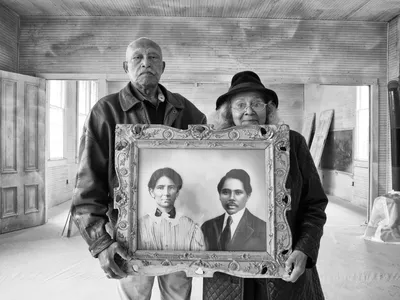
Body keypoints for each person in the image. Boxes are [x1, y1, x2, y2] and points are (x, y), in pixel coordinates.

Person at [71, 37, 206, 300]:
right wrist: (100, 243)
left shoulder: (186, 110)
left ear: (163, 66)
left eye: (153, 57)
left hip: (178, 235)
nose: (146, 63)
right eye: (138, 58)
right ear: (126, 66)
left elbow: (204, 169)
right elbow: (88, 182)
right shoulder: (105, 111)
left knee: (178, 296)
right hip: (128, 236)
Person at [203, 71, 328, 300]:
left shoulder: (293, 143)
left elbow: (315, 204)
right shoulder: (213, 150)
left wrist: (304, 249)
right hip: (228, 277)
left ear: (268, 110)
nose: (248, 110)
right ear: (229, 112)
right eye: (240, 104)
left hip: (283, 271)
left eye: (256, 103)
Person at [138, 167, 205, 251]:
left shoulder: (191, 227)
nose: (166, 193)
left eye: (171, 188)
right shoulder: (140, 226)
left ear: (177, 192)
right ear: (152, 192)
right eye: (160, 188)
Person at [201, 169, 266, 252]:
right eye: (225, 192)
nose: (231, 198)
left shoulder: (262, 229)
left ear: (248, 196)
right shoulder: (207, 227)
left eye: (238, 193)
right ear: (219, 195)